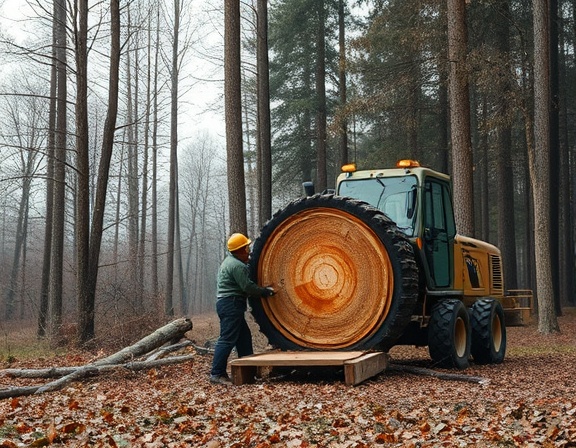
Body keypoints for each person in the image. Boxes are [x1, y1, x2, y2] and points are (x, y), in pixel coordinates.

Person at [209, 233, 275, 384]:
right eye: (246, 248)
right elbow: (247, 287)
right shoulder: (237, 266)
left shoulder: (230, 262)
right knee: (227, 339)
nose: (249, 251)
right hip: (231, 304)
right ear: (239, 250)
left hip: (229, 304)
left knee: (244, 338)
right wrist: (266, 291)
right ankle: (216, 373)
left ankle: (249, 371)